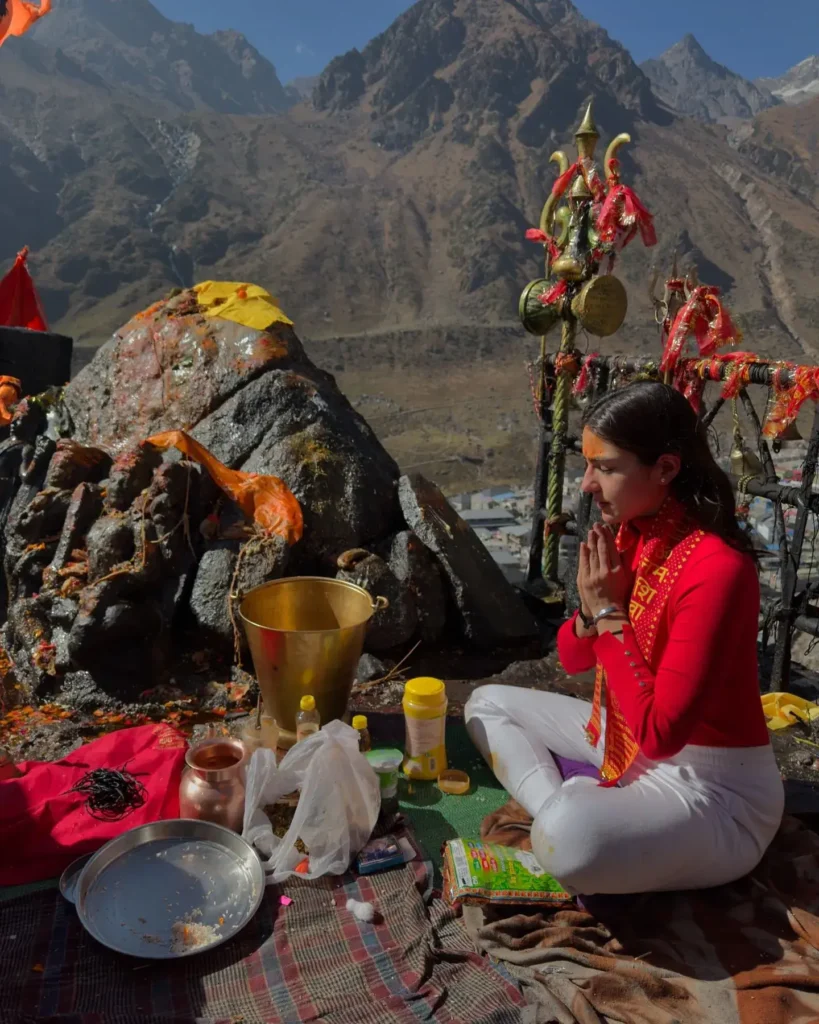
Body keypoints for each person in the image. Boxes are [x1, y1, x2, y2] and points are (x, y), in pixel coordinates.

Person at [466, 381, 783, 896]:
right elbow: (571, 657)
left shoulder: (718, 570)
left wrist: (610, 612)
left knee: (571, 837)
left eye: (606, 467)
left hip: (715, 792)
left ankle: (570, 818)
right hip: (628, 740)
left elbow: (663, 734)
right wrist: (594, 612)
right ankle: (563, 811)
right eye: (588, 465)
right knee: (486, 706)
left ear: (665, 469)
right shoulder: (636, 535)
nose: (588, 484)